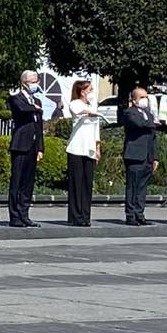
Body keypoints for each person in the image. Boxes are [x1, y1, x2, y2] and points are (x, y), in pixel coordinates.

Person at [6, 70, 44, 228]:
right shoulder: (16, 98)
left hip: (33, 147)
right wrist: (33, 107)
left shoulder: (37, 101)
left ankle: (24, 213)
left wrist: (41, 148)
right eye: (33, 81)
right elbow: (21, 109)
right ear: (24, 82)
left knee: (28, 183)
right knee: (17, 181)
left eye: (37, 81)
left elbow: (39, 126)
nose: (36, 84)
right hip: (20, 145)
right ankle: (14, 216)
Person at [120, 87, 157, 226]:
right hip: (134, 155)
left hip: (147, 156)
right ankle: (130, 215)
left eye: (146, 97)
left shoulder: (149, 114)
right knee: (133, 186)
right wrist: (152, 123)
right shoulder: (130, 112)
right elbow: (138, 123)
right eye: (142, 97)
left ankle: (139, 213)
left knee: (142, 187)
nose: (145, 100)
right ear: (134, 100)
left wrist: (155, 157)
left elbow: (153, 137)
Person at [64, 80, 100, 227]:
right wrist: (90, 111)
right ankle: (75, 215)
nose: (92, 92)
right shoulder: (75, 103)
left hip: (89, 149)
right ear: (82, 91)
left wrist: (98, 148)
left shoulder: (92, 107)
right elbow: (77, 111)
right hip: (77, 148)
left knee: (87, 183)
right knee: (76, 183)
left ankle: (85, 215)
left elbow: (96, 130)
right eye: (90, 89)